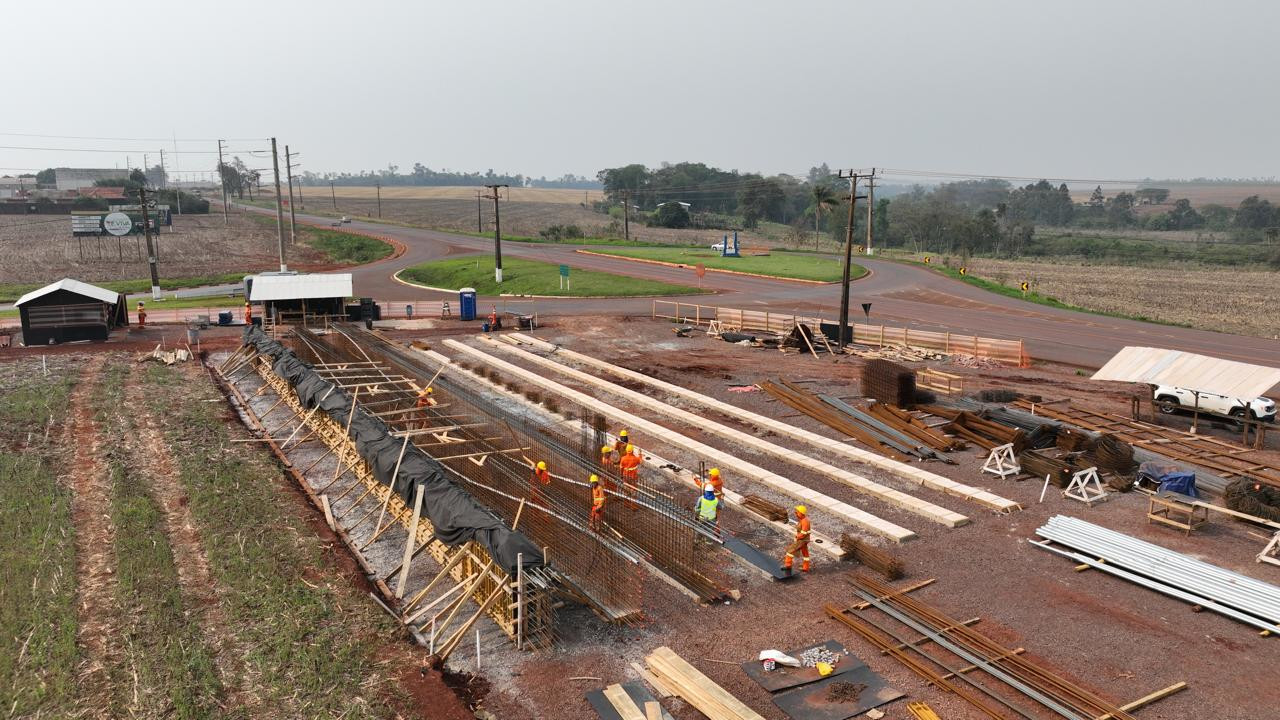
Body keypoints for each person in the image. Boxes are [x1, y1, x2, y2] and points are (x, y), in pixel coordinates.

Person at [782, 505, 812, 575]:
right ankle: (805, 567)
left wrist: (797, 537)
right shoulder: (803, 520)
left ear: (801, 513)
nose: (796, 513)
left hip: (802, 540)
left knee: (790, 550)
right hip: (804, 540)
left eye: (797, 512)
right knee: (805, 553)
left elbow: (803, 533)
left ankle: (788, 565)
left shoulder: (805, 521)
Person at [618, 444, 641, 510]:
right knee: (633, 491)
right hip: (633, 477)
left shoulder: (623, 458)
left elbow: (621, 468)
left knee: (626, 489)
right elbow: (640, 461)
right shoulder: (635, 458)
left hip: (625, 475)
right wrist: (640, 454)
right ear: (632, 451)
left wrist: (621, 475)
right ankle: (633, 506)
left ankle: (626, 503)